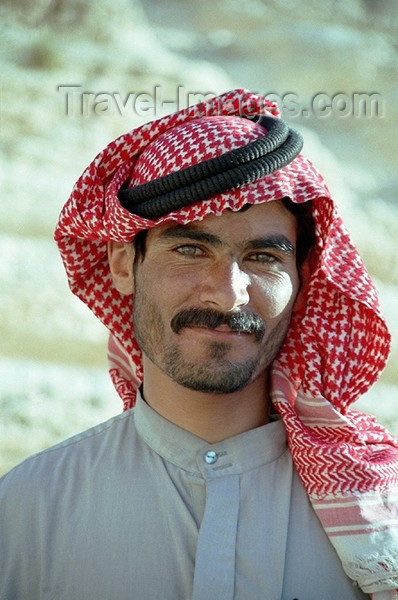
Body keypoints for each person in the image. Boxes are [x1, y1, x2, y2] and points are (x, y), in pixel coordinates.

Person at [0, 89, 397, 600]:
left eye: (264, 257)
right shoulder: (30, 508)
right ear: (124, 265)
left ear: (302, 280)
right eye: (190, 249)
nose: (230, 293)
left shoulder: (377, 522)